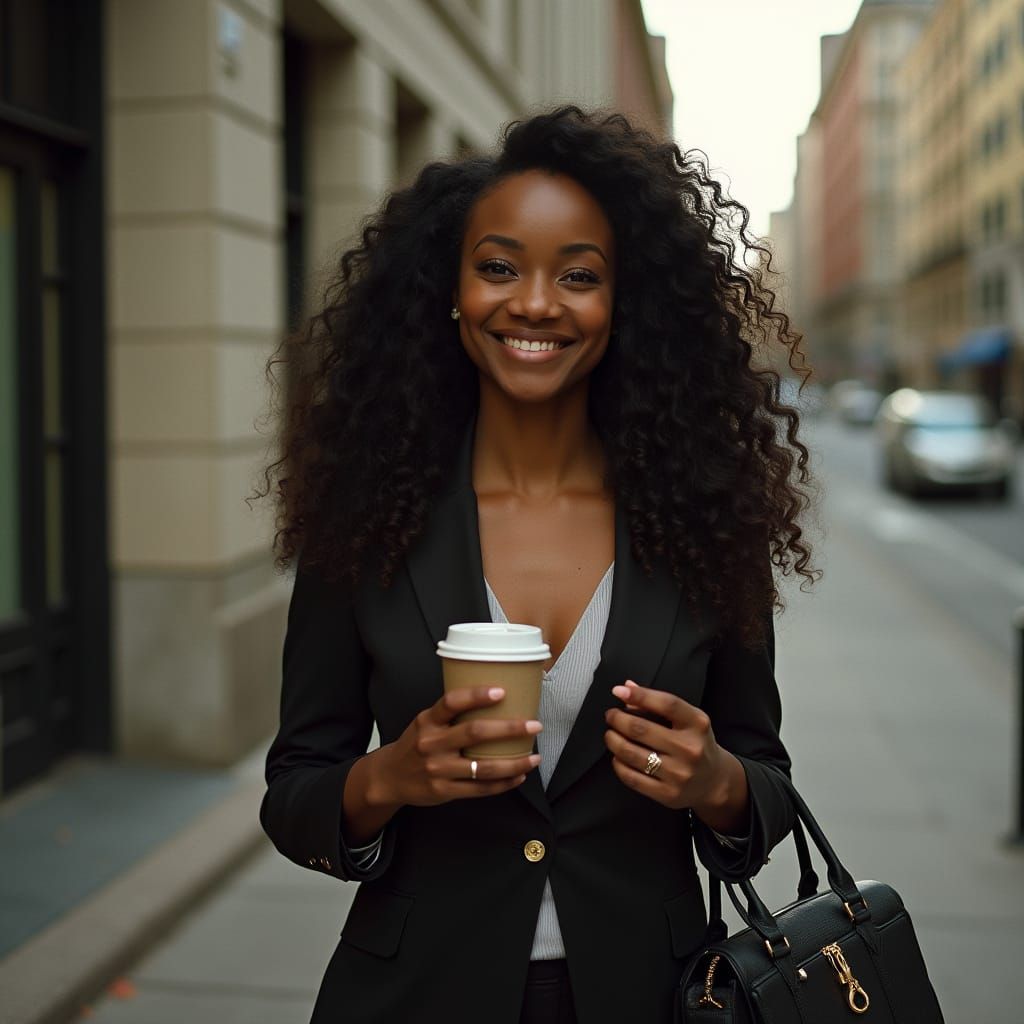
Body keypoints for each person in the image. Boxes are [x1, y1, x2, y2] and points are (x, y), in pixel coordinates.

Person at [255, 104, 817, 1024]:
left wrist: (717, 784)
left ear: (621, 301)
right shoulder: (366, 515)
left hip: (652, 992)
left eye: (580, 275)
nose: (535, 302)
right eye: (499, 266)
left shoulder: (705, 520)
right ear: (452, 287)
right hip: (415, 993)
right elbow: (295, 793)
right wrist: (389, 776)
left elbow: (763, 780)